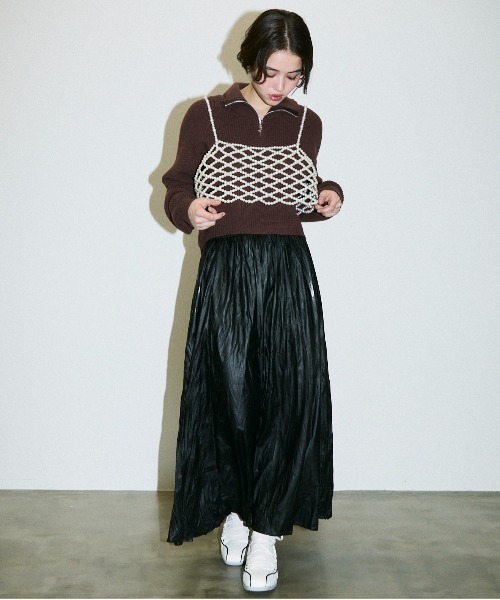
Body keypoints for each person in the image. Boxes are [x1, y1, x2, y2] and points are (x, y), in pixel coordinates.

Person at [162, 9, 343, 593]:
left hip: (286, 271)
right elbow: (177, 186)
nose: (281, 86)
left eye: (294, 76)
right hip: (228, 272)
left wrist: (329, 195)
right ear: (249, 62)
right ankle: (239, 507)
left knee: (287, 396)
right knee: (232, 396)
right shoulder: (205, 115)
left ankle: (266, 531)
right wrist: (188, 209)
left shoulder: (307, 124)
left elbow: (299, 194)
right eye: (271, 72)